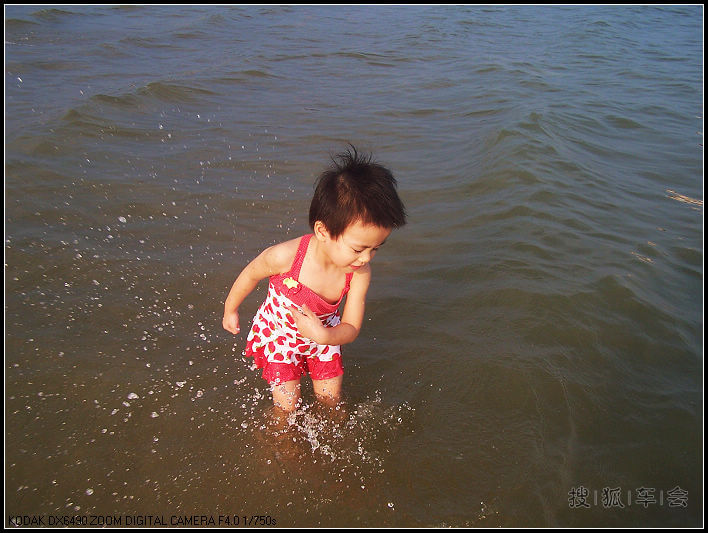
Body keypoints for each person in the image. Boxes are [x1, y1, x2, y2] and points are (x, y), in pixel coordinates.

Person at [222, 146, 406, 413]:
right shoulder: (284, 257)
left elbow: (352, 327)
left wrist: (326, 335)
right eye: (358, 249)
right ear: (323, 230)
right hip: (280, 337)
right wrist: (231, 309)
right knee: (286, 407)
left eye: (376, 248)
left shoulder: (358, 274)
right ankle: (283, 445)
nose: (366, 258)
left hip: (326, 336)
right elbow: (250, 274)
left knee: (331, 402)